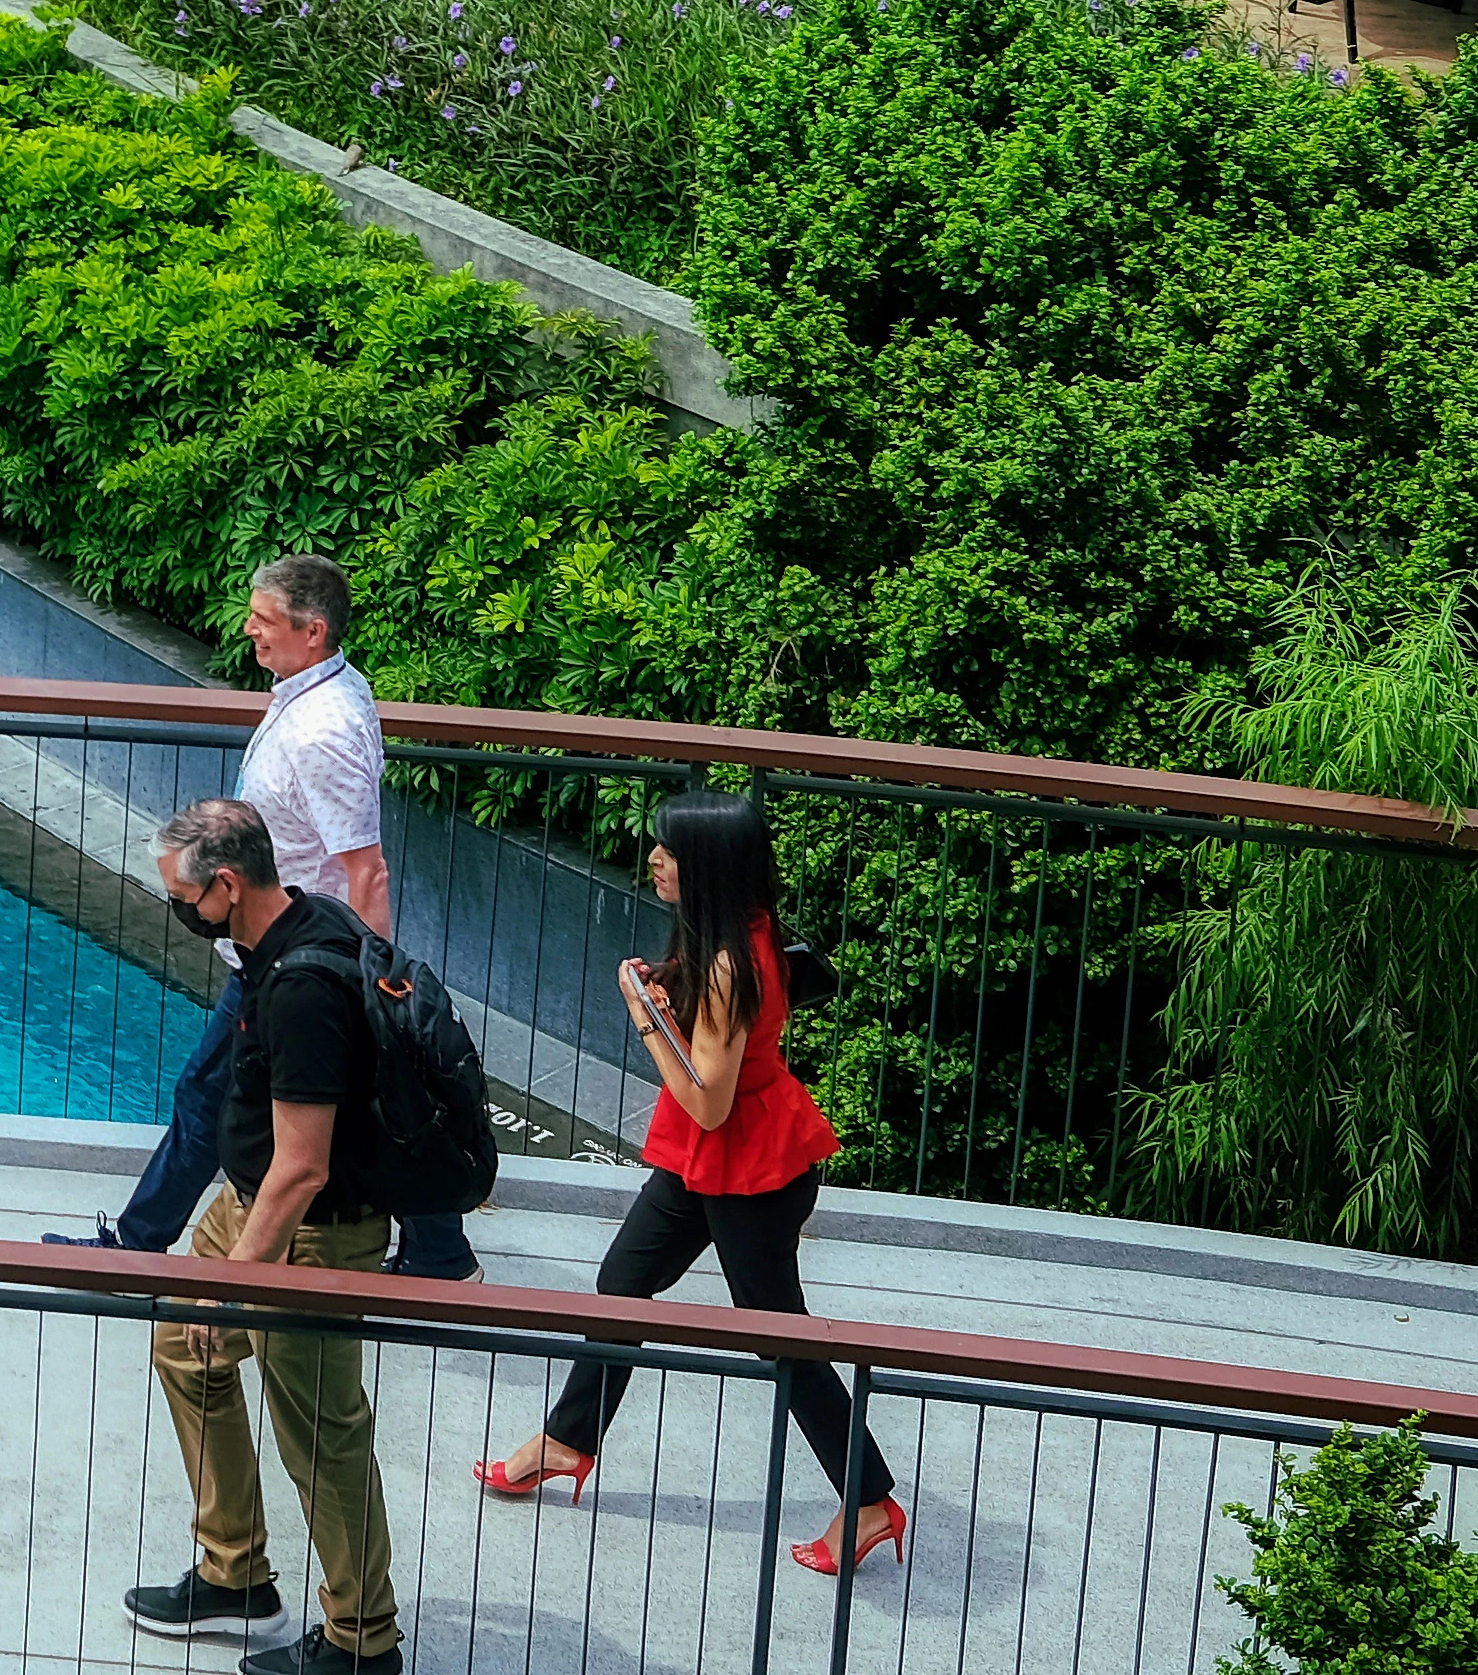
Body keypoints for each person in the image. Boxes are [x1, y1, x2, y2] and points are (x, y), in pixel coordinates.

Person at [470, 794, 903, 1575]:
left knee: (781, 1339)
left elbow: (706, 1103)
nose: (654, 862)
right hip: (718, 1164)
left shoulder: (732, 961)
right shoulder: (736, 929)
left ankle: (868, 1497)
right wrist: (673, 995)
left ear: (704, 867)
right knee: (624, 1282)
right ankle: (568, 1442)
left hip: (750, 1171)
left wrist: (642, 1014)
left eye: (667, 851)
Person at [79, 560, 463, 1278]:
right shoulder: (321, 691)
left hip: (298, 958)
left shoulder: (324, 731)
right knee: (353, 1098)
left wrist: (371, 985)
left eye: (264, 618)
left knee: (224, 1092)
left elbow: (366, 869)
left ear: (311, 632)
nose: (249, 628)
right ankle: (441, 1251)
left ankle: (137, 1249)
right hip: (288, 951)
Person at [120, 797, 407, 1675]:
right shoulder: (284, 933)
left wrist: (228, 1285)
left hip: (309, 1231)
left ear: (229, 885)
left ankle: (365, 1640)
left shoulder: (303, 988)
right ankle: (236, 1574)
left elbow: (304, 1167)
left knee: (321, 1433)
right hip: (251, 1205)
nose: (176, 908)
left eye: (182, 895)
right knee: (185, 1349)